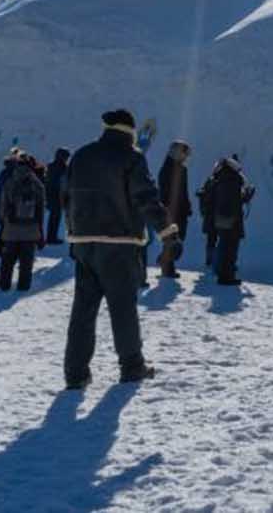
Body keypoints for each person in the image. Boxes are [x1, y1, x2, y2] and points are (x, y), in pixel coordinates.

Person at [61, 109, 178, 389]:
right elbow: (145, 197)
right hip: (119, 244)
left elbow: (66, 199)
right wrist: (166, 232)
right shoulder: (131, 157)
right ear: (130, 131)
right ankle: (132, 366)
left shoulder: (81, 155)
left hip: (84, 244)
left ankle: (75, 374)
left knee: (83, 311)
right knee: (123, 308)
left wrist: (75, 234)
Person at [0, 151, 45, 292]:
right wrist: (40, 230)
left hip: (11, 229)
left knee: (7, 261)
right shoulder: (37, 185)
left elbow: (3, 207)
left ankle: (4, 285)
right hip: (30, 230)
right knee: (26, 262)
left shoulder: (9, 182)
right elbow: (40, 210)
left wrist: (3, 223)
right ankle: (23, 286)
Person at [208, 155, 254, 285]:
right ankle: (227, 275)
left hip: (222, 217)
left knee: (224, 245)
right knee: (230, 247)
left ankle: (223, 272)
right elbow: (234, 200)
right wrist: (246, 196)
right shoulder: (231, 180)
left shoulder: (221, 179)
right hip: (231, 218)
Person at [155, 141, 193, 278]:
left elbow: (184, 191)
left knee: (177, 237)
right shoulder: (168, 169)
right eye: (184, 154)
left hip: (179, 209)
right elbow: (166, 191)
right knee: (172, 238)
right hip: (172, 210)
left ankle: (166, 264)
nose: (185, 157)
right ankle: (166, 265)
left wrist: (187, 205)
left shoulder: (180, 168)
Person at [45, 148, 70, 244]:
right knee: (55, 217)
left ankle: (51, 236)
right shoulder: (62, 168)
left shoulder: (51, 166)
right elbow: (62, 182)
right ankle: (51, 238)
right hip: (57, 195)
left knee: (54, 217)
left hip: (51, 194)